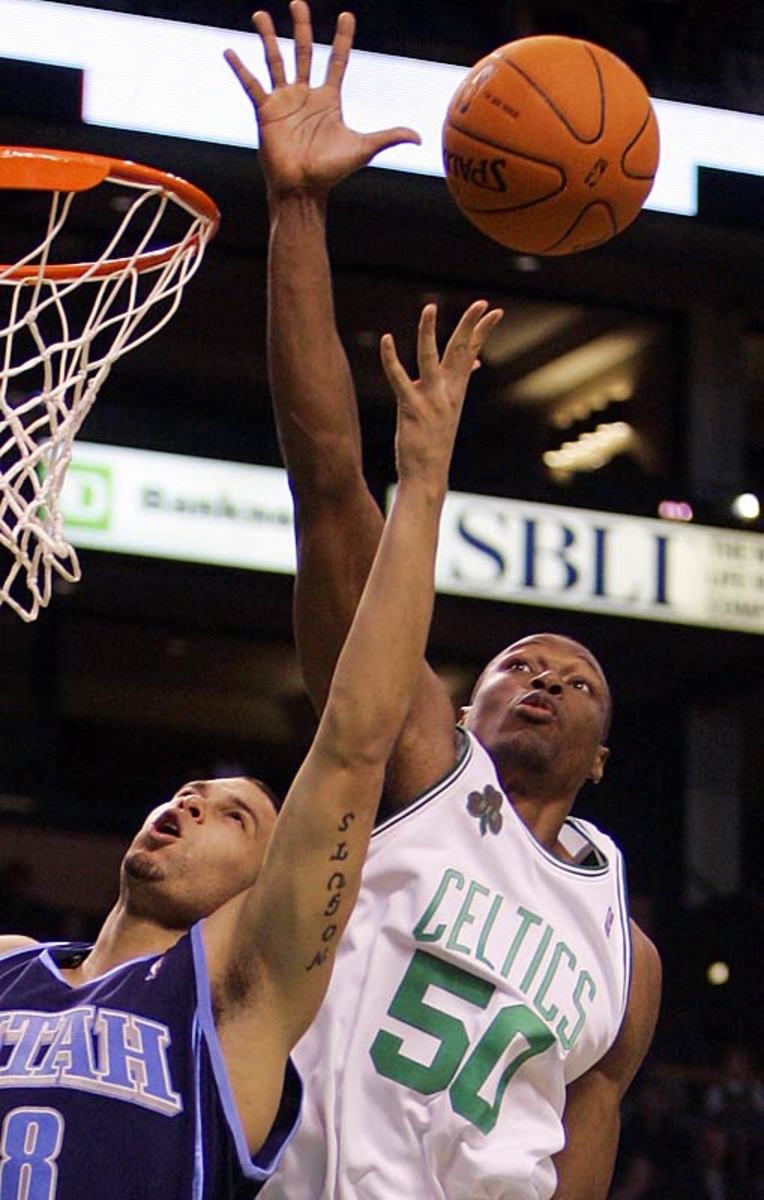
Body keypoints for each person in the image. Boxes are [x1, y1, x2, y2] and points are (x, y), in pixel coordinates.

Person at [226, 5, 662, 1199]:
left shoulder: (623, 947)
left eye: (576, 680)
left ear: (604, 753)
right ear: (465, 705)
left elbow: (585, 1140)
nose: (549, 679)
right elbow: (325, 485)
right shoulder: (418, 763)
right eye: (521, 664)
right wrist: (299, 213)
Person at [0, 289, 491, 1196]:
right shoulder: (10, 966)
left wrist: (421, 484)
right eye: (191, 792)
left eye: (235, 814)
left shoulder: (237, 996)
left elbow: (354, 741)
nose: (191, 802)